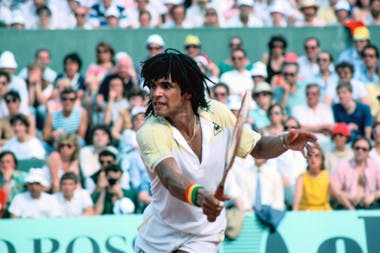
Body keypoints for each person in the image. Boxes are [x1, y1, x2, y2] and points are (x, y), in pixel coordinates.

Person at [134, 49, 316, 252]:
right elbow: (170, 177)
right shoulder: (150, 131)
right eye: (153, 86)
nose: (156, 93)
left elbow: (257, 147)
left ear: (187, 91)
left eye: (166, 86)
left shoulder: (216, 113)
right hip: (158, 239)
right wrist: (201, 196)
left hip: (204, 234)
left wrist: (285, 141)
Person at [293, 145, 353, 211]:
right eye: (310, 155)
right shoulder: (301, 177)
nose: (313, 158)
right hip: (306, 211)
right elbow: (297, 199)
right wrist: (294, 214)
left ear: (322, 159)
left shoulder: (327, 175)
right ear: (307, 159)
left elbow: (338, 194)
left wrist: (350, 208)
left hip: (324, 211)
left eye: (317, 156)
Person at [334, 136, 380, 209]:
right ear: (352, 149)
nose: (360, 151)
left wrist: (373, 196)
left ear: (368, 152)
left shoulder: (376, 166)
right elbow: (336, 191)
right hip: (347, 204)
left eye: (364, 149)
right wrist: (349, 197)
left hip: (371, 204)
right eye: (357, 148)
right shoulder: (342, 166)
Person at [0, 151, 27, 217]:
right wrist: (6, 179)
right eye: (2, 162)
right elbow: (2, 205)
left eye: (8, 162)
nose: (4, 165)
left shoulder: (23, 176)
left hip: (21, 211)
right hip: (3, 212)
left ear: (14, 164)